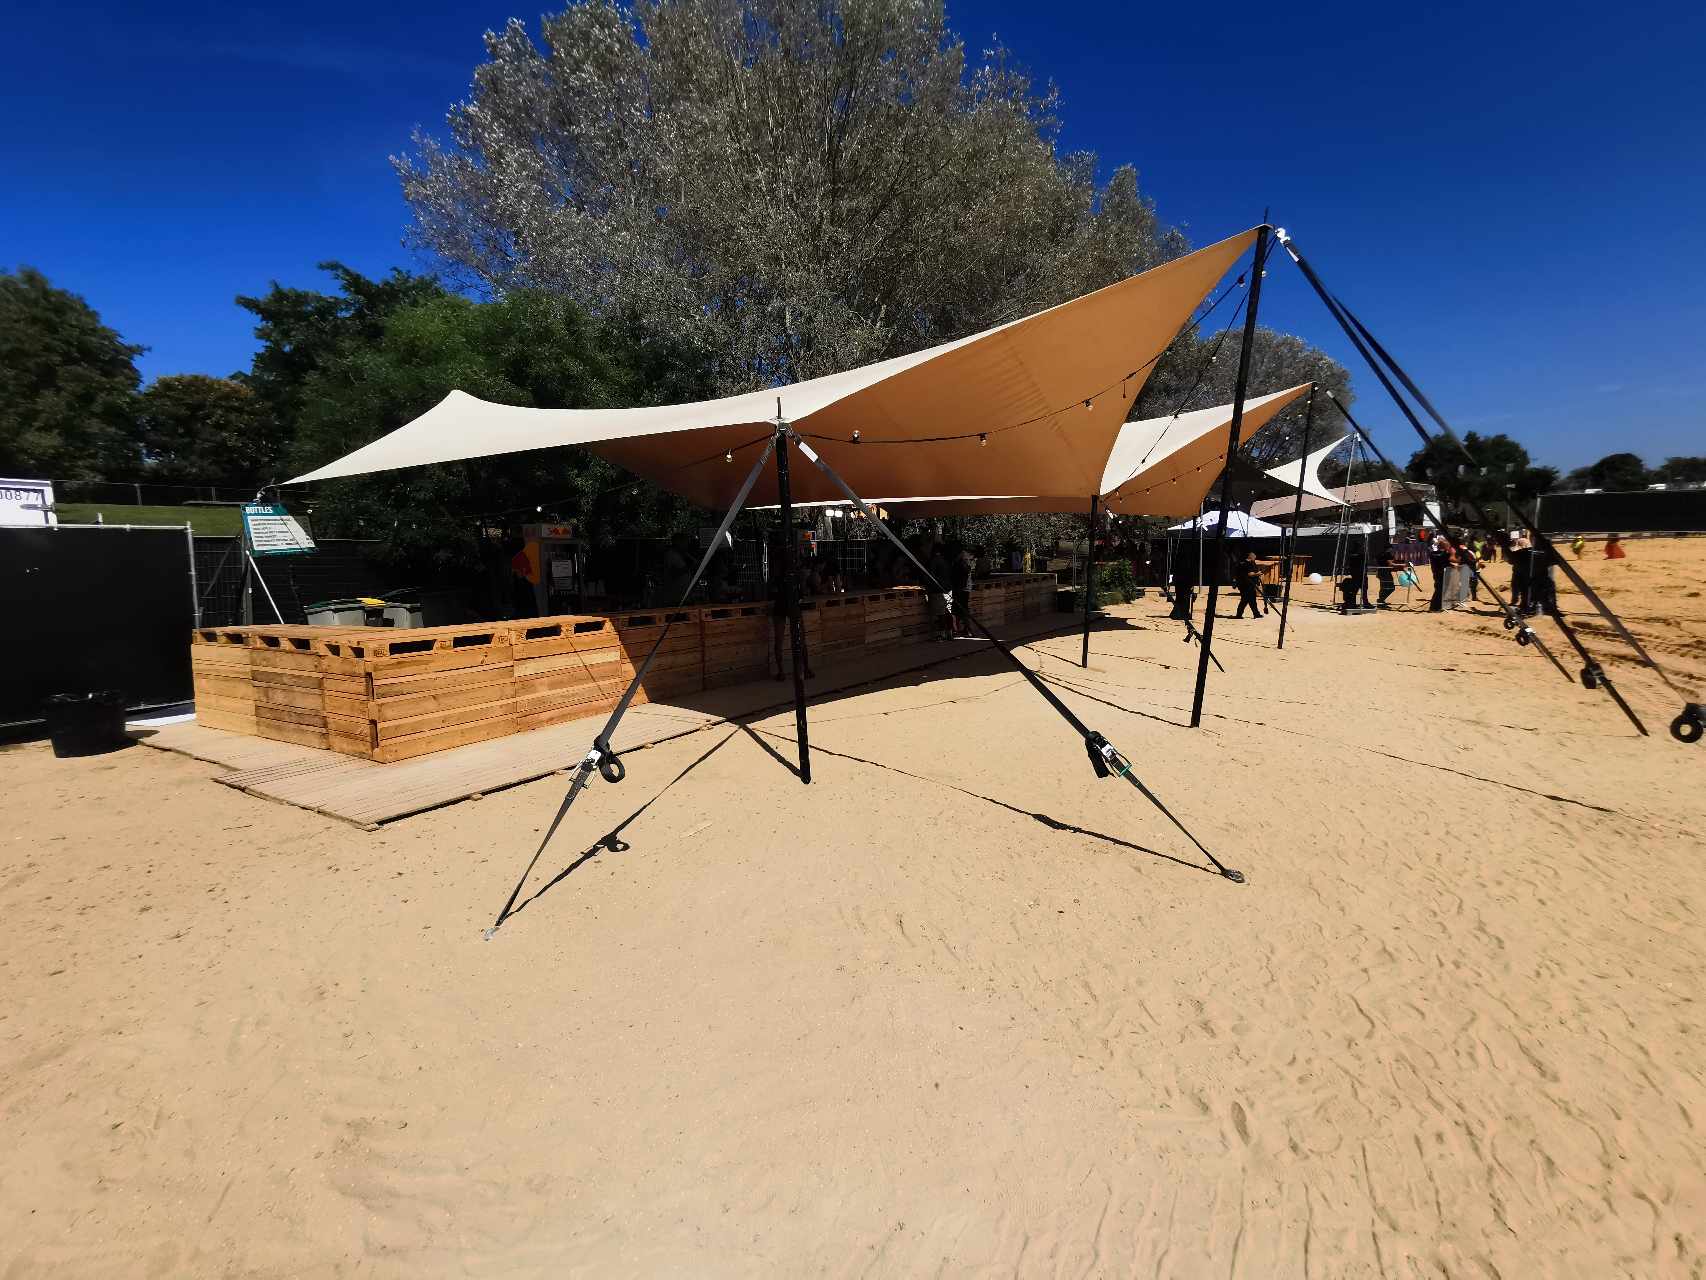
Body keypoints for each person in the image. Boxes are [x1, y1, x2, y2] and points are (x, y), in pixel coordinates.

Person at [767, 527, 814, 681]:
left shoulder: (777, 564)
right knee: (800, 638)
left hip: (781, 602)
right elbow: (803, 588)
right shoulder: (796, 566)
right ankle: (805, 668)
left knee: (779, 639)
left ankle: (781, 672)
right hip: (792, 601)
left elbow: (773, 585)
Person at [949, 543, 974, 637]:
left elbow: (962, 578)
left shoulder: (961, 564)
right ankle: (964, 629)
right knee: (961, 609)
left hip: (961, 590)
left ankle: (964, 629)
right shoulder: (965, 563)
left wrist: (958, 589)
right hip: (964, 589)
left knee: (959, 609)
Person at [1233, 549, 1265, 618]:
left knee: (1251, 600)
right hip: (1247, 585)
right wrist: (1257, 574)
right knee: (1245, 600)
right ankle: (1239, 614)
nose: (1255, 558)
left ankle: (1255, 614)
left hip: (1246, 584)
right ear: (1251, 557)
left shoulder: (1243, 563)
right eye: (1254, 557)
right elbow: (1250, 574)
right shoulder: (1247, 564)